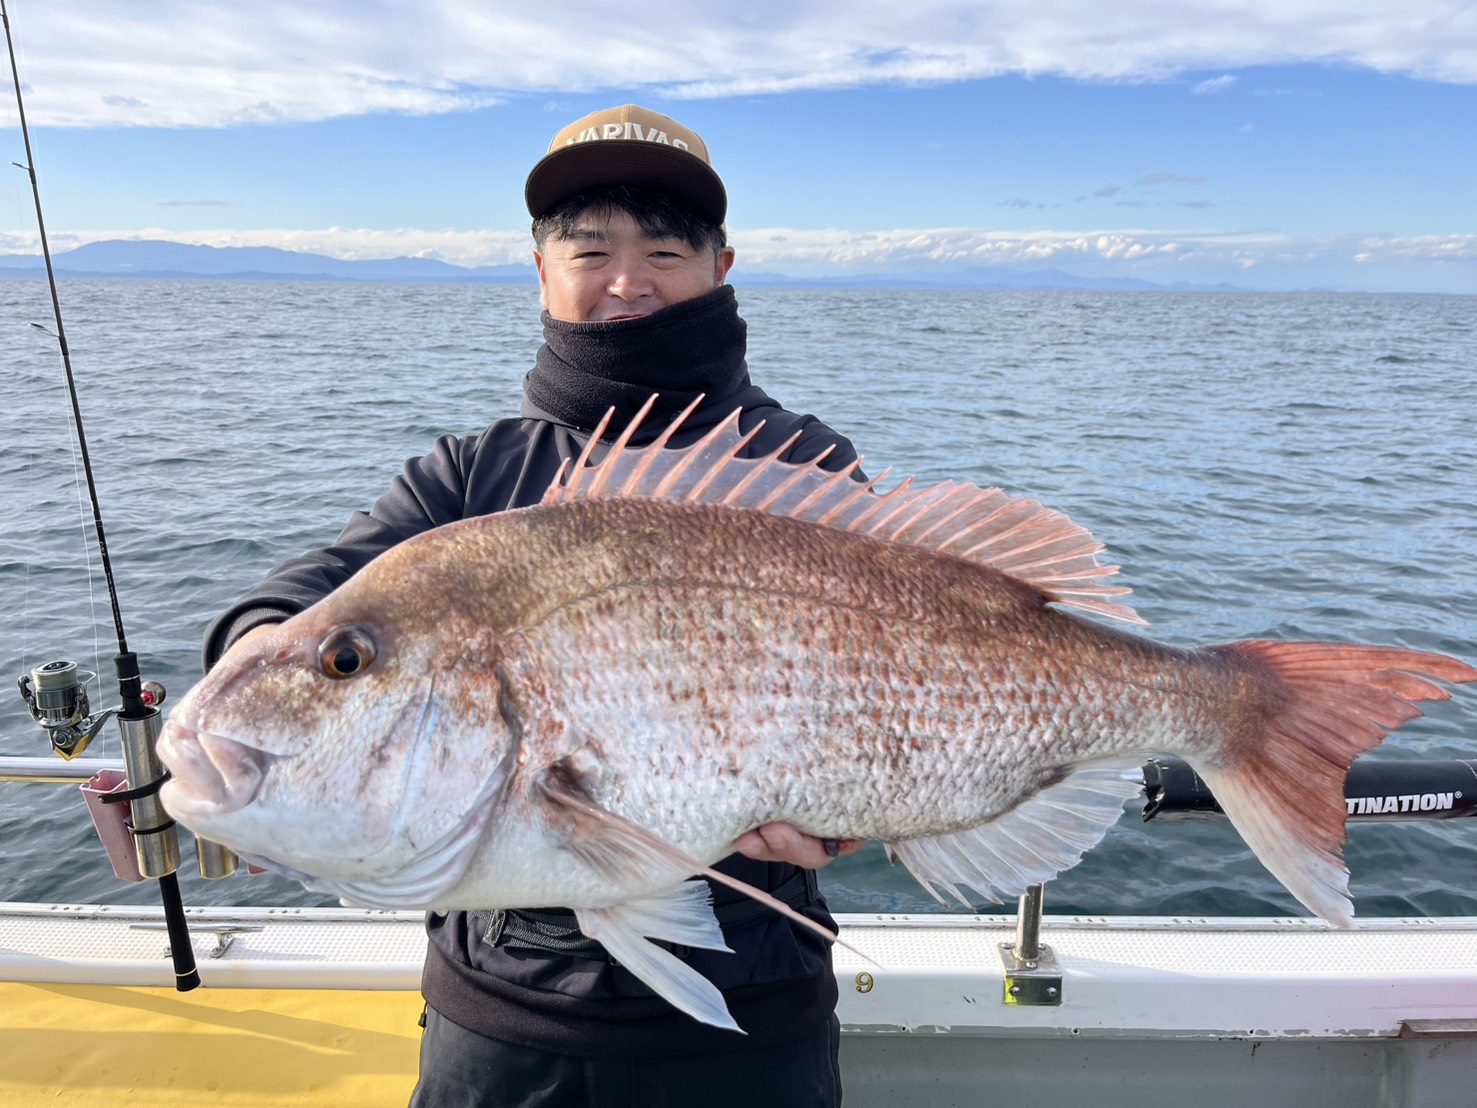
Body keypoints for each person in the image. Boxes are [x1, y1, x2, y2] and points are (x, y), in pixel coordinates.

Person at [202, 104, 865, 1106]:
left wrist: (866, 803)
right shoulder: (468, 476)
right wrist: (248, 698)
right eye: (590, 248)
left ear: (723, 265)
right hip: (501, 1016)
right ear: (541, 269)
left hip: (755, 1007)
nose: (627, 279)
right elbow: (294, 605)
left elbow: (902, 691)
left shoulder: (800, 468)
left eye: (665, 249)